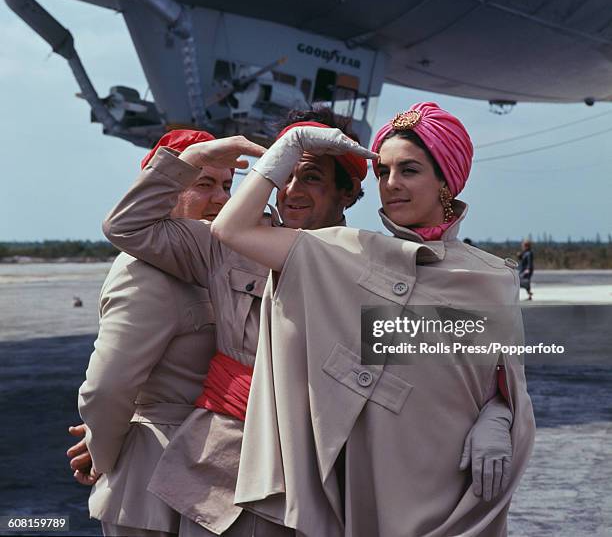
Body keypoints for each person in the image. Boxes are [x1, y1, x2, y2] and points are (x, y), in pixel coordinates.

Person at [102, 106, 514, 537]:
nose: (292, 191)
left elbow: (441, 372)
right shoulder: (230, 246)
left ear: (348, 193)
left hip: (334, 481)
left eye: (312, 177)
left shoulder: (365, 260)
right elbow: (128, 225)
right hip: (228, 474)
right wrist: (207, 152)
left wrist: (497, 415)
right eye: (285, 175)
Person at [211, 102, 536, 537]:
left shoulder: (492, 278)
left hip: (459, 486)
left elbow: (503, 380)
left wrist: (498, 420)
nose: (392, 185)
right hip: (375, 480)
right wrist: (292, 144)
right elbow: (231, 229)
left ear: (446, 181)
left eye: (410, 171)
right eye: (383, 172)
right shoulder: (345, 253)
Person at [68, 130, 232, 537]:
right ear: (161, 191)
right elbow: (106, 390)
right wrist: (105, 455)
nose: (222, 199)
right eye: (204, 184)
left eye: (228, 185)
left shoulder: (211, 266)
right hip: (148, 488)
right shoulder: (144, 271)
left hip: (203, 476)